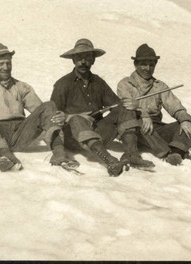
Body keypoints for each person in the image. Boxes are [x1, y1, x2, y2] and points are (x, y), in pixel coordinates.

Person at [0, 41, 78, 172]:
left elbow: (40, 109)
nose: (6, 67)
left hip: (21, 132)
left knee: (49, 106)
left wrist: (54, 115)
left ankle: (59, 154)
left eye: (8, 63)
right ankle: (5, 156)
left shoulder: (21, 86)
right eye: (1, 64)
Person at [50, 39, 154, 177]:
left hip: (98, 133)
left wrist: (139, 109)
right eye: (79, 58)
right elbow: (52, 117)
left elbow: (117, 105)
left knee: (124, 108)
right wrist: (73, 117)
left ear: (93, 60)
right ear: (73, 60)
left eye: (87, 58)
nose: (83, 62)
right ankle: (109, 161)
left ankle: (132, 155)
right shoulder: (62, 84)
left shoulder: (98, 82)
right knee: (76, 119)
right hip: (74, 138)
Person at [117, 44, 191, 165]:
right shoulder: (125, 84)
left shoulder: (159, 86)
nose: (147, 68)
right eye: (143, 64)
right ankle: (164, 151)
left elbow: (174, 105)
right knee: (137, 124)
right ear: (136, 64)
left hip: (156, 128)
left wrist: (184, 119)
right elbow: (128, 106)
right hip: (136, 128)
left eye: (151, 65)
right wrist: (144, 114)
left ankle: (176, 153)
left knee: (190, 122)